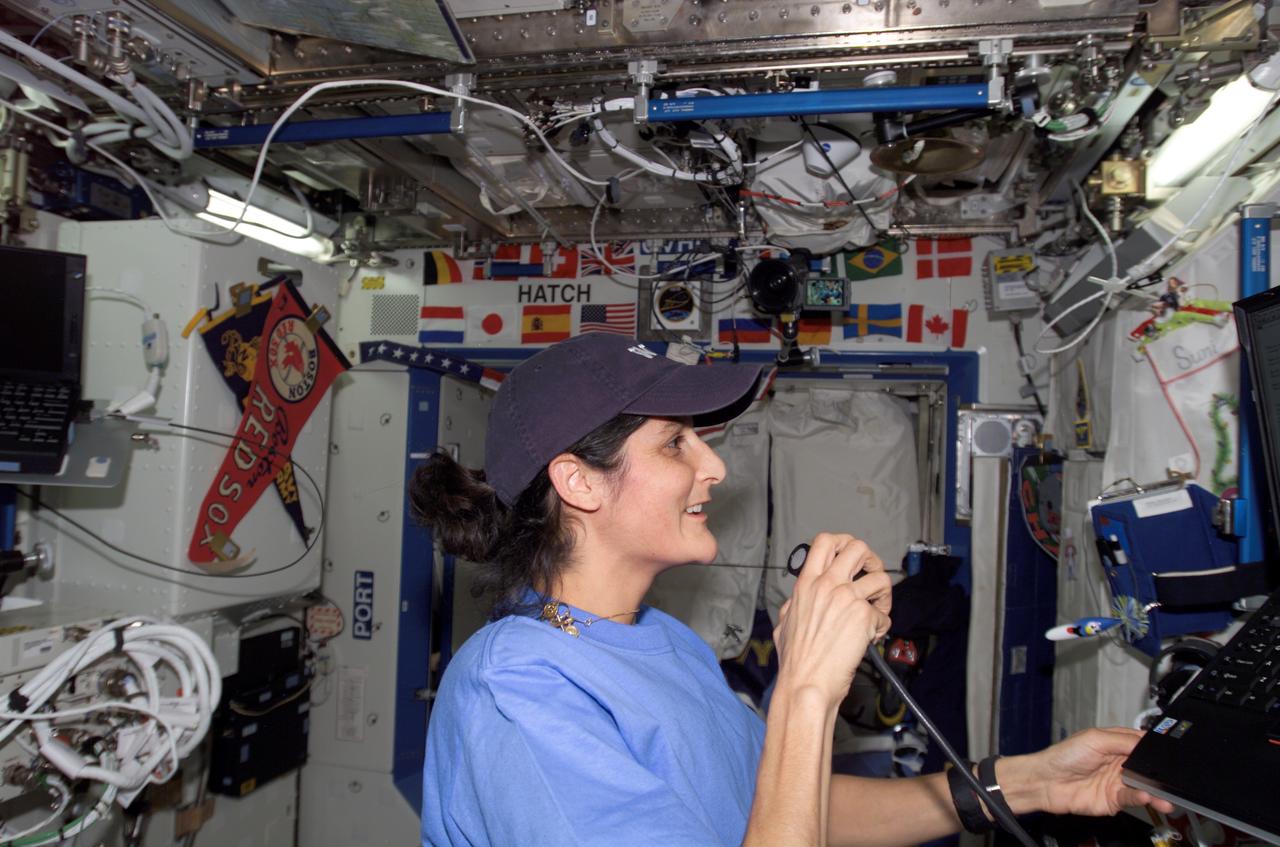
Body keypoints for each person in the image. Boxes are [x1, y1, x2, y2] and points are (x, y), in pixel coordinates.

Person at [412, 333, 1172, 847]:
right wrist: (806, 687)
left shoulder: (662, 640)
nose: (713, 466)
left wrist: (1031, 781)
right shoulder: (513, 691)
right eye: (676, 442)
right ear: (578, 482)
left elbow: (794, 807)